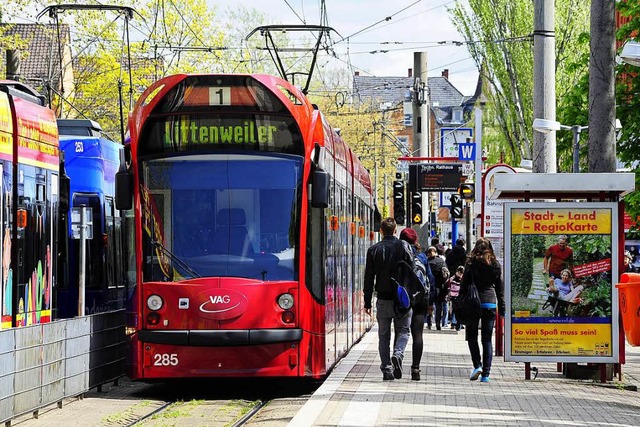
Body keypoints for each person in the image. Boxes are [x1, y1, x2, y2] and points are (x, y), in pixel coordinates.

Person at [364, 218, 413, 381]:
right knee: (404, 331)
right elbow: (411, 272)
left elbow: (369, 277)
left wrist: (367, 301)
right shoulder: (404, 247)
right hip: (402, 299)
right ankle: (398, 354)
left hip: (383, 299)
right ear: (395, 231)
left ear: (381, 231)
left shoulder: (373, 250)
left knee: (383, 335)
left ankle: (387, 369)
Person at [462, 237, 505, 383]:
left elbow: (464, 285)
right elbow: (499, 289)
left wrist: (460, 302)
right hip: (490, 303)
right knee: (487, 340)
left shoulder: (471, 263)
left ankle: (477, 365)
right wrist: (503, 308)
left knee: (472, 337)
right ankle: (486, 374)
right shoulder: (495, 264)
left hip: (473, 303)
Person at [399, 228, 435, 381]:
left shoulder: (399, 256)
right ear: (415, 241)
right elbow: (431, 281)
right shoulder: (422, 257)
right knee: (417, 334)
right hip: (421, 299)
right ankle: (415, 369)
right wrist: (431, 303)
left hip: (403, 298)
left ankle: (397, 362)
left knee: (400, 331)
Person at [427, 246, 449, 330]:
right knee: (439, 305)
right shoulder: (441, 261)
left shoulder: (427, 262)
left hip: (429, 286)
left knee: (429, 304)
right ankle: (437, 323)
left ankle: (429, 323)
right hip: (440, 287)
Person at [447, 265, 465, 331]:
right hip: (459, 296)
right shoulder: (463, 278)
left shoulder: (452, 278)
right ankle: (458, 324)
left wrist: (449, 294)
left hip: (453, 295)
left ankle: (454, 323)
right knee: (459, 310)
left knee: (454, 310)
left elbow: (448, 286)